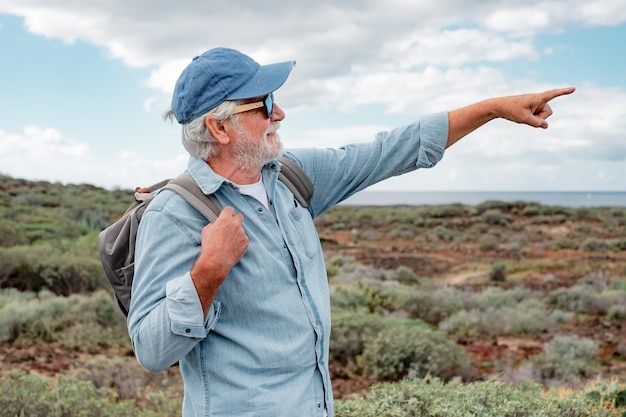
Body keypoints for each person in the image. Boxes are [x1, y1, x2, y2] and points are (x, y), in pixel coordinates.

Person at [127, 46, 575, 417]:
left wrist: (493, 109)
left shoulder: (289, 177)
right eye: (263, 104)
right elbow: (151, 349)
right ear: (219, 127)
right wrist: (209, 271)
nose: (279, 113)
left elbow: (387, 151)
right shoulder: (174, 215)